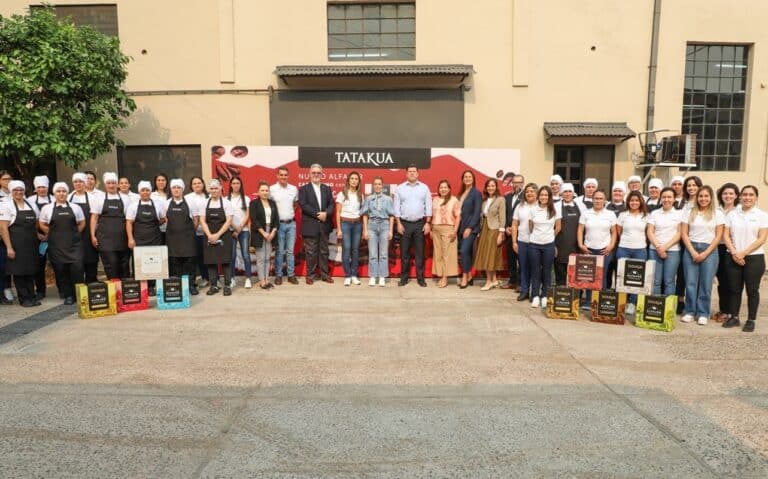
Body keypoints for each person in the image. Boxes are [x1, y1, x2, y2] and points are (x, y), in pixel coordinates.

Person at [722, 185, 768, 332]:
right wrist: (735, 253)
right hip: (733, 257)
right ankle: (734, 317)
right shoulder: (732, 214)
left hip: (754, 258)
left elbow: (762, 239)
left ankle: (751, 319)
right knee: (734, 289)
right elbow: (725, 235)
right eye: (745, 195)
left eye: (751, 195)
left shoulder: (762, 215)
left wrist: (744, 253)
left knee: (752, 291)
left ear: (756, 197)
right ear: (740, 197)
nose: (747, 197)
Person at [680, 185, 724, 325]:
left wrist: (705, 253)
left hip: (709, 251)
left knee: (705, 283)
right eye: (701, 196)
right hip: (691, 249)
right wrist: (692, 251)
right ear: (697, 198)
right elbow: (684, 234)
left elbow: (718, 236)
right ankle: (690, 311)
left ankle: (703, 312)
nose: (703, 199)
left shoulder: (718, 213)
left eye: (706, 196)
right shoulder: (689, 212)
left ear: (711, 198)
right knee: (691, 283)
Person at [38, 182, 86, 305]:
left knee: (77, 270)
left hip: (74, 245)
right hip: (56, 246)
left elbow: (82, 223)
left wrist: (74, 233)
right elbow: (42, 223)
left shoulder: (75, 207)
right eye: (58, 191)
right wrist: (53, 233)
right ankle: (68, 295)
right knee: (61, 271)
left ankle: (79, 295)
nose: (61, 193)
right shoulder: (47, 208)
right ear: (54, 193)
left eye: (64, 191)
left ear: (67, 193)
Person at [0, 180, 40, 307]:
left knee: (30, 270)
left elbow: (37, 223)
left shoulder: (31, 204)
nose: (19, 192)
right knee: (19, 272)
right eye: (16, 190)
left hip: (31, 244)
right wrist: (9, 248)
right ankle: (24, 299)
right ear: (11, 191)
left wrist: (39, 236)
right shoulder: (6, 206)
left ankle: (31, 296)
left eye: (21, 190)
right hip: (16, 244)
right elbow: (3, 228)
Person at [577, 189, 617, 308]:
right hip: (589, 249)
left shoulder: (610, 214)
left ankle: (600, 302)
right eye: (596, 198)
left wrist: (611, 246)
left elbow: (614, 232)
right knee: (589, 276)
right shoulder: (586, 213)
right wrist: (580, 245)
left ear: (605, 200)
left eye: (601, 198)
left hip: (604, 250)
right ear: (592, 200)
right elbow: (580, 230)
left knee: (602, 276)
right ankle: (589, 301)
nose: (598, 201)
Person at [394, 165, 432, 287]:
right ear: (406, 174)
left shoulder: (424, 188)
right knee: (404, 254)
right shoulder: (400, 188)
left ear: (418, 173)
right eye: (409, 171)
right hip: (404, 224)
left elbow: (429, 206)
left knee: (419, 253)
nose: (412, 173)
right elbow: (396, 208)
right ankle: (404, 278)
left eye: (414, 171)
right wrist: (398, 223)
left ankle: (421, 279)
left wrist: (428, 223)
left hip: (420, 224)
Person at [126, 181, 167, 295]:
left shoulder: (157, 204)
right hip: (139, 239)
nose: (145, 192)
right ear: (139, 192)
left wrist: (154, 225)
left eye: (147, 190)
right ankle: (142, 287)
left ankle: (152, 287)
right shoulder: (133, 205)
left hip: (155, 238)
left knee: (154, 263)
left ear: (150, 191)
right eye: (143, 190)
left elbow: (163, 218)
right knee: (140, 264)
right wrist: (130, 238)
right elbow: (129, 223)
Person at [298, 163, 335, 284]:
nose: (316, 175)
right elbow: (303, 205)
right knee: (311, 252)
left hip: (324, 225)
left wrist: (326, 213)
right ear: (309, 174)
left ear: (322, 174)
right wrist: (319, 214)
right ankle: (310, 275)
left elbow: (332, 205)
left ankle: (325, 275)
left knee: (324, 251)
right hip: (310, 224)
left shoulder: (327, 188)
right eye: (313, 173)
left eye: (318, 173)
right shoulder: (304, 189)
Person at [90, 172, 131, 280]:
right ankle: (113, 289)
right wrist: (93, 236)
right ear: (105, 184)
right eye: (109, 183)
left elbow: (129, 219)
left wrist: (130, 237)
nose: (111, 185)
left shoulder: (125, 198)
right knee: (111, 264)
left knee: (124, 264)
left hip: (123, 237)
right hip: (105, 238)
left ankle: (125, 290)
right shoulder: (99, 198)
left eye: (113, 183)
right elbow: (94, 218)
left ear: (117, 184)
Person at [616, 191, 650, 314]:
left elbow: (648, 232)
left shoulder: (646, 216)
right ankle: (621, 301)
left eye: (636, 200)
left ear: (641, 201)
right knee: (622, 276)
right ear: (628, 202)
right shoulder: (623, 215)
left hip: (640, 249)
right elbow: (619, 231)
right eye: (631, 200)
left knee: (636, 278)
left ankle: (632, 303)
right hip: (623, 248)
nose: (634, 203)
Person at [199, 179, 234, 295]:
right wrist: (209, 235)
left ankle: (227, 285)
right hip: (209, 234)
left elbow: (229, 221)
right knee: (211, 261)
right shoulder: (204, 203)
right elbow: (202, 220)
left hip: (224, 235)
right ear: (209, 190)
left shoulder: (227, 203)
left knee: (226, 261)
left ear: (220, 189)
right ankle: (213, 285)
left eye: (216, 188)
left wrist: (217, 235)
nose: (214, 191)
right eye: (212, 188)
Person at [528, 185, 561, 307]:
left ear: (549, 197)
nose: (543, 197)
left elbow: (558, 227)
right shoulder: (533, 209)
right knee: (535, 270)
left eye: (546, 195)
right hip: (534, 244)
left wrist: (549, 236)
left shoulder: (555, 209)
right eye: (541, 195)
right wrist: (537, 235)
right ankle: (535, 295)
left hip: (548, 245)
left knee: (547, 271)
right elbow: (530, 226)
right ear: (538, 196)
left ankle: (545, 295)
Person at [165, 179, 200, 295]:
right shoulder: (166, 204)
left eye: (178, 187)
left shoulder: (190, 203)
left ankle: (191, 285)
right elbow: (164, 219)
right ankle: (178, 286)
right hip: (173, 239)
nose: (176, 189)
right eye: (174, 187)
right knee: (175, 263)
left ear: (182, 189)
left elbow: (196, 220)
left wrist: (189, 232)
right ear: (171, 189)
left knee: (190, 263)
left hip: (188, 238)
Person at [647, 187, 682, 295]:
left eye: (669, 197)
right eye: (664, 197)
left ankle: (668, 310)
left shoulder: (679, 214)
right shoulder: (654, 213)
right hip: (654, 250)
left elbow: (680, 233)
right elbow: (650, 231)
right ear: (660, 199)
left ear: (674, 199)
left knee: (669, 281)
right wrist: (658, 247)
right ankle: (656, 307)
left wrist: (665, 247)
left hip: (673, 251)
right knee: (656, 281)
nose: (666, 199)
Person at [361, 176, 395, 287]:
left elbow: (391, 215)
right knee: (373, 253)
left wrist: (390, 230)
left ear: (382, 186)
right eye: (375, 184)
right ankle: (373, 276)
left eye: (379, 184)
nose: (377, 186)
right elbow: (365, 215)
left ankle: (382, 276)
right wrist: (365, 230)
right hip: (372, 225)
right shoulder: (368, 198)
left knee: (384, 253)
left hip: (384, 225)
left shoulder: (388, 199)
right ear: (373, 186)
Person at [713, 183, 739, 322]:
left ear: (736, 195)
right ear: (721, 196)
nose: (728, 196)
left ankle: (731, 312)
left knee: (731, 282)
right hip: (717, 248)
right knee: (721, 281)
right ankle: (723, 310)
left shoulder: (739, 211)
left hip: (732, 249)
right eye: (725, 193)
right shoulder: (717, 211)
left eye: (731, 193)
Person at [474, 178, 506, 291]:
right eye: (488, 186)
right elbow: (482, 216)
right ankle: (493, 280)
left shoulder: (501, 199)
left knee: (490, 256)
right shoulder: (484, 200)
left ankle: (488, 281)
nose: (490, 188)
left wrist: (501, 234)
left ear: (496, 187)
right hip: (484, 229)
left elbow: (502, 217)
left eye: (493, 186)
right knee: (485, 254)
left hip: (494, 230)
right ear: (486, 188)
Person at [269, 167, 299, 285]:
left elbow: (295, 204)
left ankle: (291, 275)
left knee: (290, 252)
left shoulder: (293, 189)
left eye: (285, 175)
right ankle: (278, 275)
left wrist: (289, 213)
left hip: (291, 224)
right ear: (277, 176)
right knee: (280, 252)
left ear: (288, 176)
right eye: (281, 175)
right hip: (278, 225)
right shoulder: (272, 189)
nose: (283, 177)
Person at [69, 173, 99, 283]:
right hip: (73, 235)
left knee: (91, 259)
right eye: (75, 182)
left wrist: (94, 234)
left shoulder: (92, 198)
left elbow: (96, 217)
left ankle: (92, 284)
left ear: (84, 183)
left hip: (88, 234)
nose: (78, 184)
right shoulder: (68, 197)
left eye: (80, 181)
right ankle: (77, 287)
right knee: (76, 262)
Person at [249, 181, 279, 289]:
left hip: (271, 232)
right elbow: (254, 220)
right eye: (262, 190)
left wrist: (273, 232)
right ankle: (262, 281)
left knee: (267, 258)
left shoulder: (272, 203)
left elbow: (276, 219)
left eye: (267, 190)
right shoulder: (254, 203)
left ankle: (267, 279)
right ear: (258, 192)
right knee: (261, 258)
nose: (265, 192)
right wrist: (264, 233)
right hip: (259, 232)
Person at [335, 171, 364, 286]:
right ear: (348, 180)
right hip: (345, 224)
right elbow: (338, 212)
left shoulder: (360, 195)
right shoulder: (342, 194)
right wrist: (339, 228)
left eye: (356, 179)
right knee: (346, 249)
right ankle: (347, 275)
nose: (354, 181)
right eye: (352, 178)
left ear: (358, 181)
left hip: (357, 224)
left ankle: (354, 275)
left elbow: (362, 212)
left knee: (355, 250)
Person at [430, 180, 460, 288]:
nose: (443, 189)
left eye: (445, 187)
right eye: (441, 187)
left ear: (449, 189)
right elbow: (433, 216)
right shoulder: (435, 200)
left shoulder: (454, 200)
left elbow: (458, 217)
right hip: (436, 228)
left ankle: (445, 277)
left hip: (448, 228)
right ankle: (440, 274)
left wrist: (455, 231)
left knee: (447, 254)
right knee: (438, 253)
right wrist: (431, 229)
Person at [512, 183, 538, 301]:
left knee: (535, 268)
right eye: (527, 192)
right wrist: (514, 242)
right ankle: (524, 290)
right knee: (523, 267)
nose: (529, 193)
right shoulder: (520, 206)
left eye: (532, 191)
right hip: (522, 241)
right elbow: (514, 224)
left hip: (537, 243)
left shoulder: (541, 206)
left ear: (536, 193)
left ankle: (534, 292)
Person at [28, 175, 53, 300]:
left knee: (58, 264)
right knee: (39, 265)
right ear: (35, 189)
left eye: (44, 187)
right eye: (39, 187)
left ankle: (63, 289)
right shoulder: (30, 201)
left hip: (54, 236)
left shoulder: (54, 199)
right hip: (37, 237)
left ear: (48, 188)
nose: (42, 189)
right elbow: (30, 221)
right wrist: (38, 234)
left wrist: (49, 234)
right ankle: (40, 290)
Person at [457, 170, 482, 289]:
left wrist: (470, 228)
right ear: (462, 179)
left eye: (469, 177)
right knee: (466, 252)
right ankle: (470, 275)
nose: (467, 178)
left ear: (473, 179)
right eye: (465, 177)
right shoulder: (462, 193)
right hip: (461, 228)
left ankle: (465, 277)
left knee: (463, 251)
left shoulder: (476, 193)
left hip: (470, 228)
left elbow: (477, 212)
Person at [554, 183, 582, 286]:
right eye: (565, 191)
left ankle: (575, 297)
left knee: (575, 274)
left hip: (576, 246)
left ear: (573, 193)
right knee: (560, 274)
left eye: (570, 191)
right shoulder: (556, 206)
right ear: (561, 193)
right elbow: (553, 227)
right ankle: (561, 295)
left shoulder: (580, 206)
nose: (567, 194)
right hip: (560, 246)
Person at [227, 176, 252, 289]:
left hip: (244, 230)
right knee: (232, 256)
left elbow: (247, 215)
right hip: (230, 230)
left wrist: (240, 227)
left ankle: (248, 278)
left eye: (238, 183)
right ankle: (232, 278)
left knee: (246, 255)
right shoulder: (226, 199)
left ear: (240, 185)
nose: (236, 185)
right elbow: (227, 216)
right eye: (234, 183)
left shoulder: (246, 198)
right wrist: (234, 227)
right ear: (231, 185)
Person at [185, 176, 209, 287]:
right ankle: (201, 278)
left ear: (203, 184)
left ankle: (211, 278)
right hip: (193, 232)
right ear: (191, 186)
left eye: (199, 183)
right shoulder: (187, 197)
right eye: (194, 183)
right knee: (197, 256)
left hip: (208, 232)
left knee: (209, 256)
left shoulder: (208, 196)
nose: (197, 185)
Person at [502, 174, 524, 289]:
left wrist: (516, 228)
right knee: (511, 259)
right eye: (515, 182)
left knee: (521, 259)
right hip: (509, 233)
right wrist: (506, 227)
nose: (517, 184)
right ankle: (512, 281)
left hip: (521, 234)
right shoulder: (507, 197)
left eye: (519, 182)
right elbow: (504, 214)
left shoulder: (526, 197)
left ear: (523, 183)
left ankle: (520, 283)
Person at [0, 170, 12, 304]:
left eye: (9, 179)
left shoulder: (17, 193)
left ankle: (8, 288)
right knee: (2, 266)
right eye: (4, 179)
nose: (7, 182)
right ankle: (3, 291)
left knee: (11, 264)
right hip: (2, 234)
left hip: (14, 234)